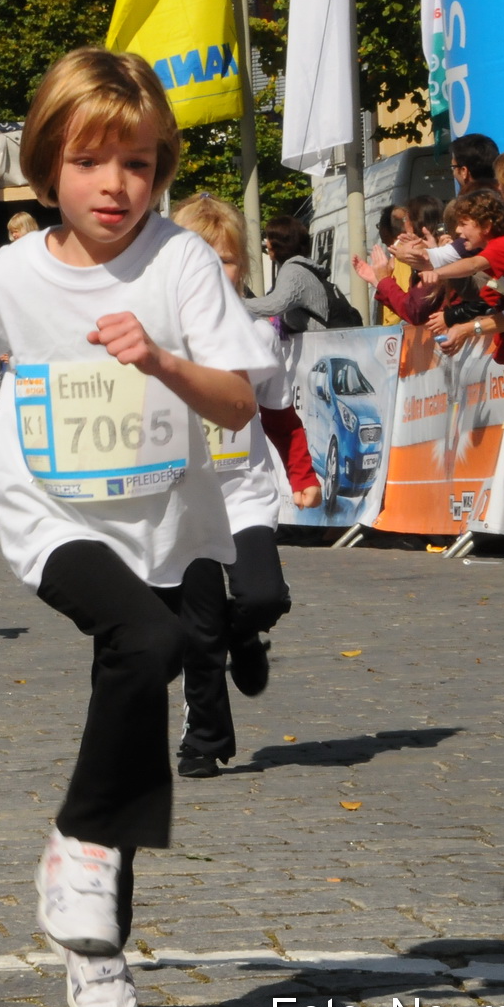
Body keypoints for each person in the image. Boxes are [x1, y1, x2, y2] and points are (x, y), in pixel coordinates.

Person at [0, 47, 276, 1007]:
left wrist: (160, 360)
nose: (113, 184)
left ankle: (94, 946)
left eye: (136, 162)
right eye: (89, 162)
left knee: (133, 698)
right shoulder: (9, 273)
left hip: (164, 521)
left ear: (159, 168)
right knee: (150, 644)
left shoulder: (179, 262)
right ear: (47, 168)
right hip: (53, 513)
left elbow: (235, 400)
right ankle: (80, 845)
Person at [170, 194, 321, 777]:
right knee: (199, 627)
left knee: (263, 597)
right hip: (182, 504)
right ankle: (203, 741)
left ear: (244, 267)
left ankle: (246, 636)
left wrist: (303, 476)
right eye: (201, 257)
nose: (215, 270)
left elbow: (280, 416)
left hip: (244, 496)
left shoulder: (258, 336)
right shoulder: (155, 336)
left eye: (227, 260)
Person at [417, 189, 504, 355]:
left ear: (486, 226)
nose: (457, 230)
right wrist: (466, 330)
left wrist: (438, 273)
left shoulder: (502, 246)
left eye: (463, 224)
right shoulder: (492, 268)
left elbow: (472, 264)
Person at [244, 216, 331, 332]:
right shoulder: (298, 267)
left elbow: (274, 304)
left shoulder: (294, 272)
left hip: (319, 341)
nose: (266, 242)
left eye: (269, 238)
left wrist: (236, 302)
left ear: (279, 244)